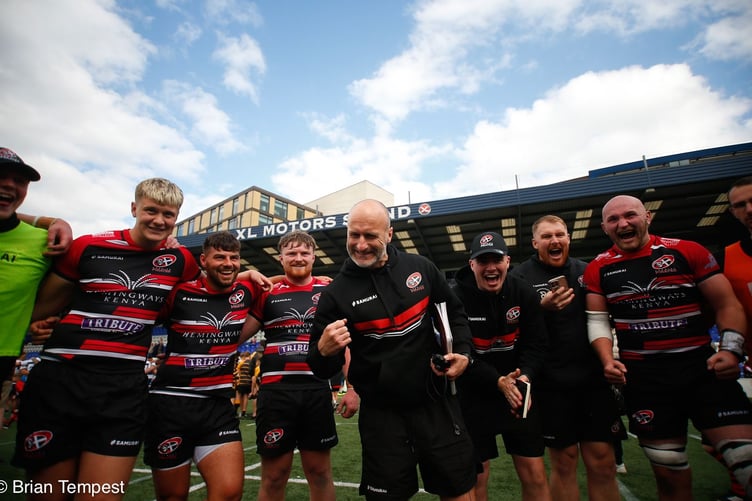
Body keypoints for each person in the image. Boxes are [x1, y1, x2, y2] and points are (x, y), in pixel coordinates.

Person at [12, 177, 202, 501]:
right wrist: (47, 322)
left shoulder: (182, 261)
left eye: (168, 215)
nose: (159, 220)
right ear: (134, 208)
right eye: (151, 211)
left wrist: (263, 276)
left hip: (123, 387)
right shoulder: (87, 246)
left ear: (177, 217)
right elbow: (44, 308)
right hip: (61, 379)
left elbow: (213, 290)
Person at [583, 194, 752, 501]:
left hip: (703, 369)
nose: (623, 223)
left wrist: (730, 349)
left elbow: (727, 303)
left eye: (630, 215)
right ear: (605, 227)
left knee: (746, 463)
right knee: (669, 474)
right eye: (613, 219)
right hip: (645, 380)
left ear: (647, 217)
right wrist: (607, 359)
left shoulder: (688, 251)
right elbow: (597, 321)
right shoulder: (598, 268)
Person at [307, 199, 477, 501]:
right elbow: (320, 367)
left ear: (389, 234)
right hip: (382, 416)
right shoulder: (336, 294)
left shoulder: (421, 268)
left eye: (370, 236)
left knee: (459, 491)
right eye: (353, 235)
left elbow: (456, 314)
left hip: (435, 404)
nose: (360, 245)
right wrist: (323, 349)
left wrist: (463, 352)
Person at [144, 231, 265, 501]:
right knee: (173, 496)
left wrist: (318, 282)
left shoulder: (246, 291)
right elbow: (141, 315)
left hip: (217, 405)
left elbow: (275, 285)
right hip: (171, 405)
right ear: (203, 260)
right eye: (219, 257)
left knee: (229, 492)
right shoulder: (179, 291)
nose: (228, 263)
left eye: (234, 258)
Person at [509, 215, 621, 501]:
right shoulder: (519, 277)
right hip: (551, 385)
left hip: (593, 381)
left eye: (560, 234)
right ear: (535, 243)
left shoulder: (588, 271)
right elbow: (511, 330)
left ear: (569, 238)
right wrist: (540, 309)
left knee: (603, 462)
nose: (554, 241)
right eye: (546, 237)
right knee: (565, 461)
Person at [243, 229, 349, 501]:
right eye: (292, 253)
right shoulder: (267, 293)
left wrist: (354, 388)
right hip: (276, 395)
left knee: (320, 473)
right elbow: (241, 334)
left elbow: (345, 342)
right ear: (281, 258)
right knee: (274, 476)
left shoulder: (330, 290)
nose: (298, 257)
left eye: (304, 253)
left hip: (315, 391)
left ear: (314, 257)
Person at [453, 231, 551, 501]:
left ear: (507, 261)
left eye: (496, 260)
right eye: (482, 261)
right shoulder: (456, 297)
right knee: (477, 476)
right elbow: (462, 353)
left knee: (534, 472)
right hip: (473, 395)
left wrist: (526, 378)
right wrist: (497, 381)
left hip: (518, 391)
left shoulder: (523, 292)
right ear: (471, 265)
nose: (490, 268)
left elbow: (537, 344)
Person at [0, 147, 73, 420]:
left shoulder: (43, 243)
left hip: (3, 359)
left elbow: (64, 291)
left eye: (19, 181)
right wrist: (51, 220)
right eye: (1, 176)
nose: (9, 185)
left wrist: (41, 320)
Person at [234, 350, 254, 418]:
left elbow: (237, 371)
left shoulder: (241, 362)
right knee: (245, 397)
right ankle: (244, 411)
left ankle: (240, 410)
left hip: (241, 381)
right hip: (248, 381)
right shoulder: (251, 363)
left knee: (239, 397)